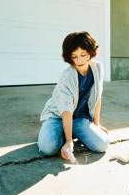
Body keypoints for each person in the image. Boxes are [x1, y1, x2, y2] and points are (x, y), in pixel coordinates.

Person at [37, 31, 109, 159]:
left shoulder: (98, 68)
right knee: (48, 148)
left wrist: (96, 124)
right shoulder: (67, 76)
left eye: (83, 54)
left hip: (79, 119)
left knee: (102, 145)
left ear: (91, 52)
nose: (79, 60)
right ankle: (60, 132)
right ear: (69, 57)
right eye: (74, 56)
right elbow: (66, 111)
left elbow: (98, 96)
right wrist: (69, 141)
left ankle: (70, 130)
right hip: (58, 117)